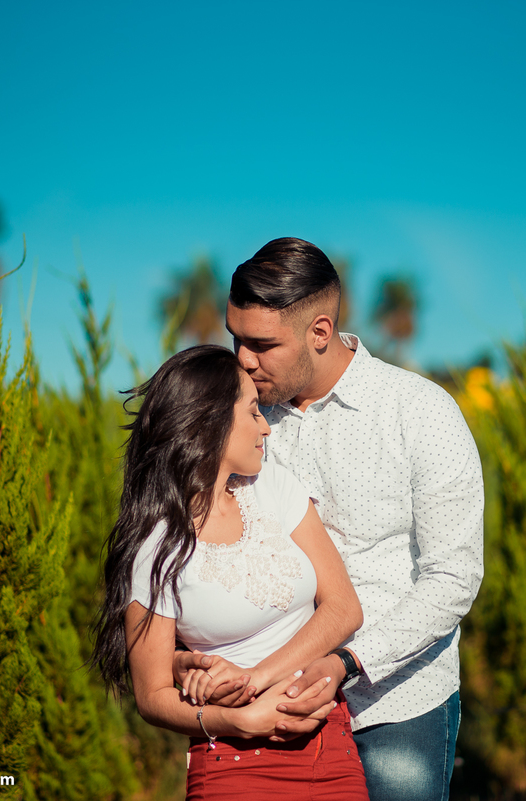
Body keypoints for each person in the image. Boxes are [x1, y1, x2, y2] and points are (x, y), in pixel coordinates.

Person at [176, 238, 484, 801]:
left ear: (320, 332)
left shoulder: (422, 412)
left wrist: (348, 661)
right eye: (236, 338)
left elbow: (453, 578)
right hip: (266, 704)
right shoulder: (240, 422)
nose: (242, 358)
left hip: (397, 703)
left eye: (262, 344)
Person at [92, 344, 370, 800]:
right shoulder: (157, 548)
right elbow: (153, 694)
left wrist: (252, 680)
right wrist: (235, 718)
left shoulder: (275, 487)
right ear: (211, 422)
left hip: (328, 745)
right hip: (233, 764)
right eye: (253, 411)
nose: (266, 427)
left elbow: (344, 608)